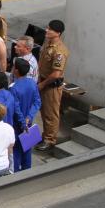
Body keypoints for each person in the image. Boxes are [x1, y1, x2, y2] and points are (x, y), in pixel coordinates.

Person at [36, 20, 69, 152]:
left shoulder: (60, 51)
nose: (46, 31)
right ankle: (45, 135)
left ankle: (50, 140)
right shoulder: (48, 44)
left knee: (51, 114)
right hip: (43, 81)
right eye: (47, 28)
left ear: (58, 33)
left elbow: (56, 74)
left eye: (50, 29)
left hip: (51, 86)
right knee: (44, 112)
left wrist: (42, 84)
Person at [10, 58, 42, 171]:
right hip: (28, 124)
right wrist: (29, 117)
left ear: (16, 71)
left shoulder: (14, 88)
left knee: (16, 151)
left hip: (17, 125)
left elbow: (16, 109)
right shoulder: (32, 83)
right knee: (27, 148)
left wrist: (23, 123)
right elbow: (37, 102)